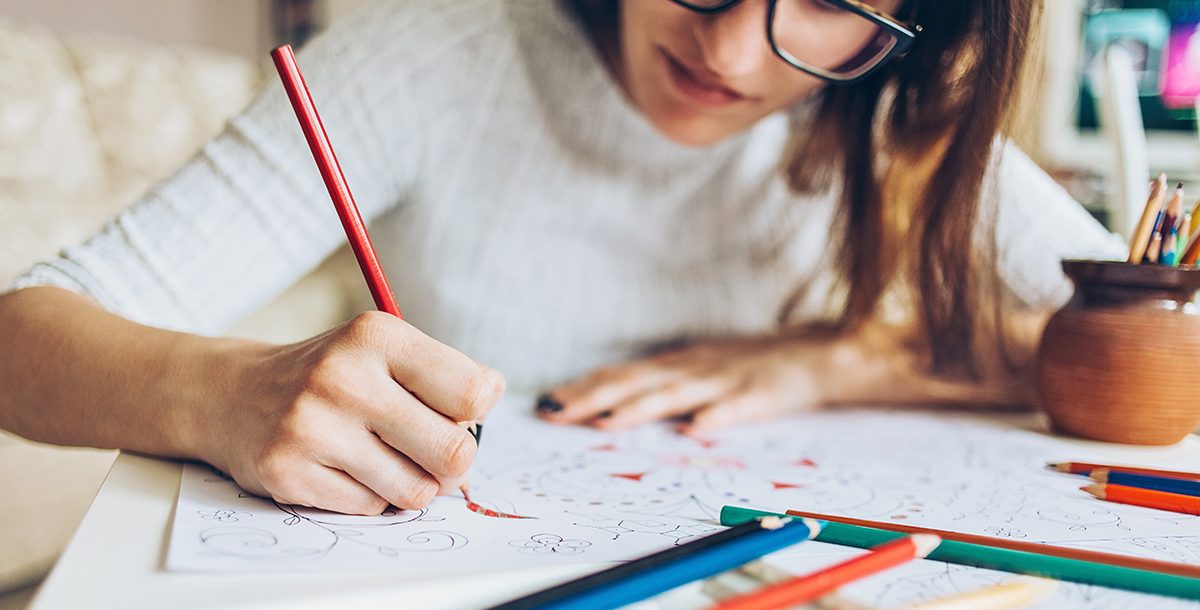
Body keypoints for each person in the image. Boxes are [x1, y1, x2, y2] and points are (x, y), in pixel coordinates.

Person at [0, 0, 1123, 515]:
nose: (730, 47)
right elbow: (22, 333)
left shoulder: (890, 119)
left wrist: (839, 358)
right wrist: (227, 392)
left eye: (826, 0)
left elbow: (1173, 347)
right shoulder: (439, 57)